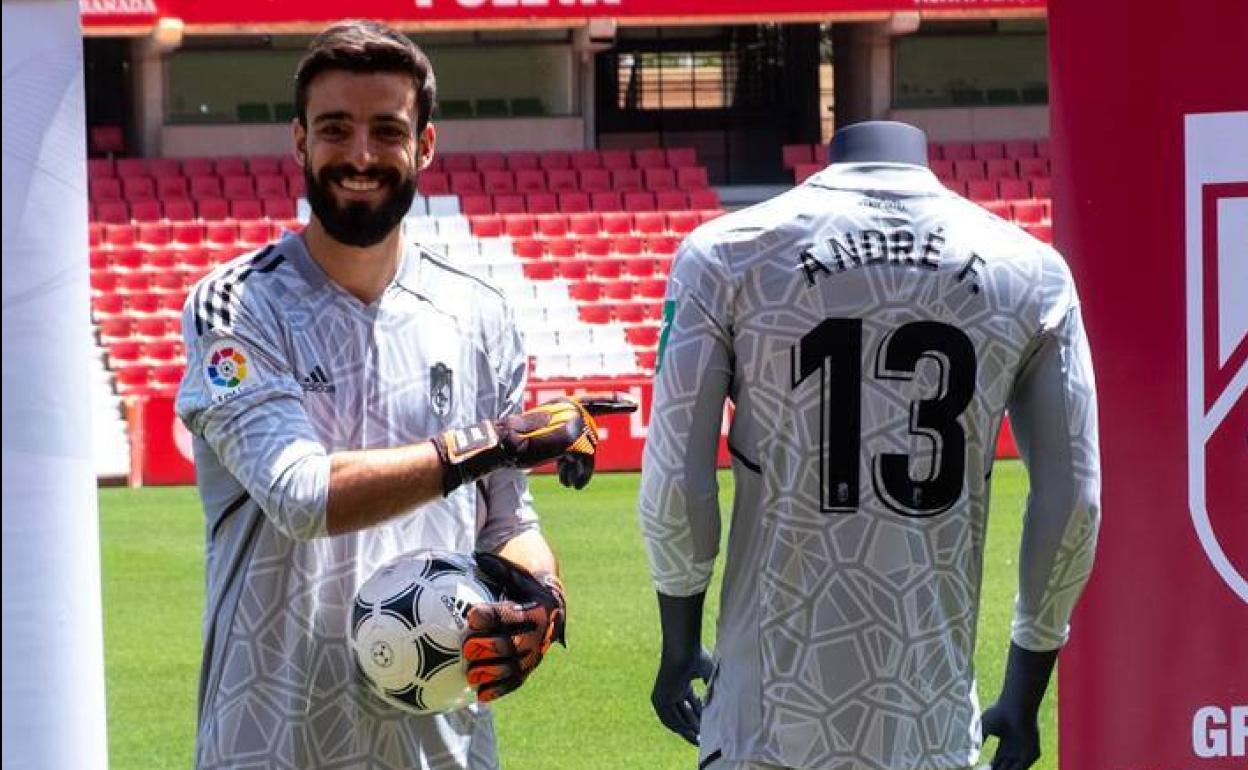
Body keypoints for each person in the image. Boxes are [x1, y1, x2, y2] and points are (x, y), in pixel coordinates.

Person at [176, 20, 632, 770]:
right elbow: (300, 495)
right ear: (298, 142)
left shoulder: (478, 312)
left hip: (440, 749)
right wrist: (494, 440)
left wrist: (542, 600)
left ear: (424, 145)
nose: (360, 156)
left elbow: (507, 520)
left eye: (387, 130)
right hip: (272, 741)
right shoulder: (235, 306)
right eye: (335, 129)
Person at [638, 121, 1100, 770]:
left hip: (763, 719)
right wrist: (1024, 690)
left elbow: (675, 487)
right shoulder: (1033, 274)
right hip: (929, 723)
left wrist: (679, 640)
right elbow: (1074, 504)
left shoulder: (725, 254)